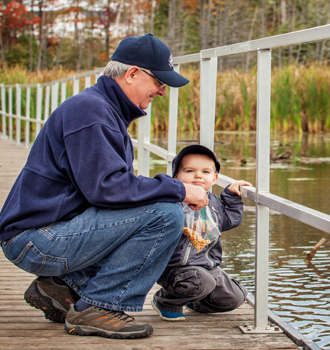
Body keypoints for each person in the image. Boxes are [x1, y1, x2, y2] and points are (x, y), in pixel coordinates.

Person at [0, 33, 209, 339]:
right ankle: (99, 307)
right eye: (159, 81)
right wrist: (180, 190)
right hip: (36, 238)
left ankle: (60, 287)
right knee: (166, 215)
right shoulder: (91, 113)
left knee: (154, 209)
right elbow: (108, 189)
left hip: (43, 230)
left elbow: (109, 192)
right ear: (132, 73)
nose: (163, 91)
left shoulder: (100, 108)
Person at [151, 145, 251, 321]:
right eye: (189, 170)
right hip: (176, 268)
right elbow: (157, 224)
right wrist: (186, 223)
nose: (198, 175)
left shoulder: (213, 202)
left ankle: (195, 301)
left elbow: (229, 221)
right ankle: (166, 300)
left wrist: (231, 195)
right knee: (201, 281)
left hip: (206, 266)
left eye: (205, 171)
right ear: (176, 177)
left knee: (235, 296)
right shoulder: (172, 201)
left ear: (214, 178)